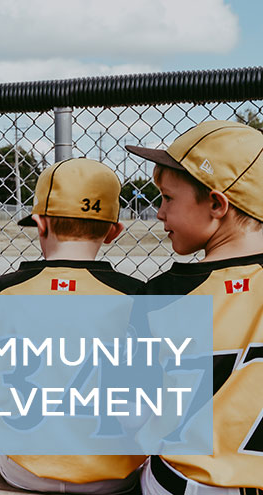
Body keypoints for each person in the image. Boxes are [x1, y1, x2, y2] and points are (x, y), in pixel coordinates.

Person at [0, 158, 146, 493]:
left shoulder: (2, 291)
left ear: (40, 225)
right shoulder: (138, 296)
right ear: (114, 231)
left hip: (22, 470)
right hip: (110, 477)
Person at [126, 120, 263, 493]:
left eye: (168, 198)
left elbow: (134, 419)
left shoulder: (165, 295)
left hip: (184, 483)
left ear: (217, 204)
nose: (158, 212)